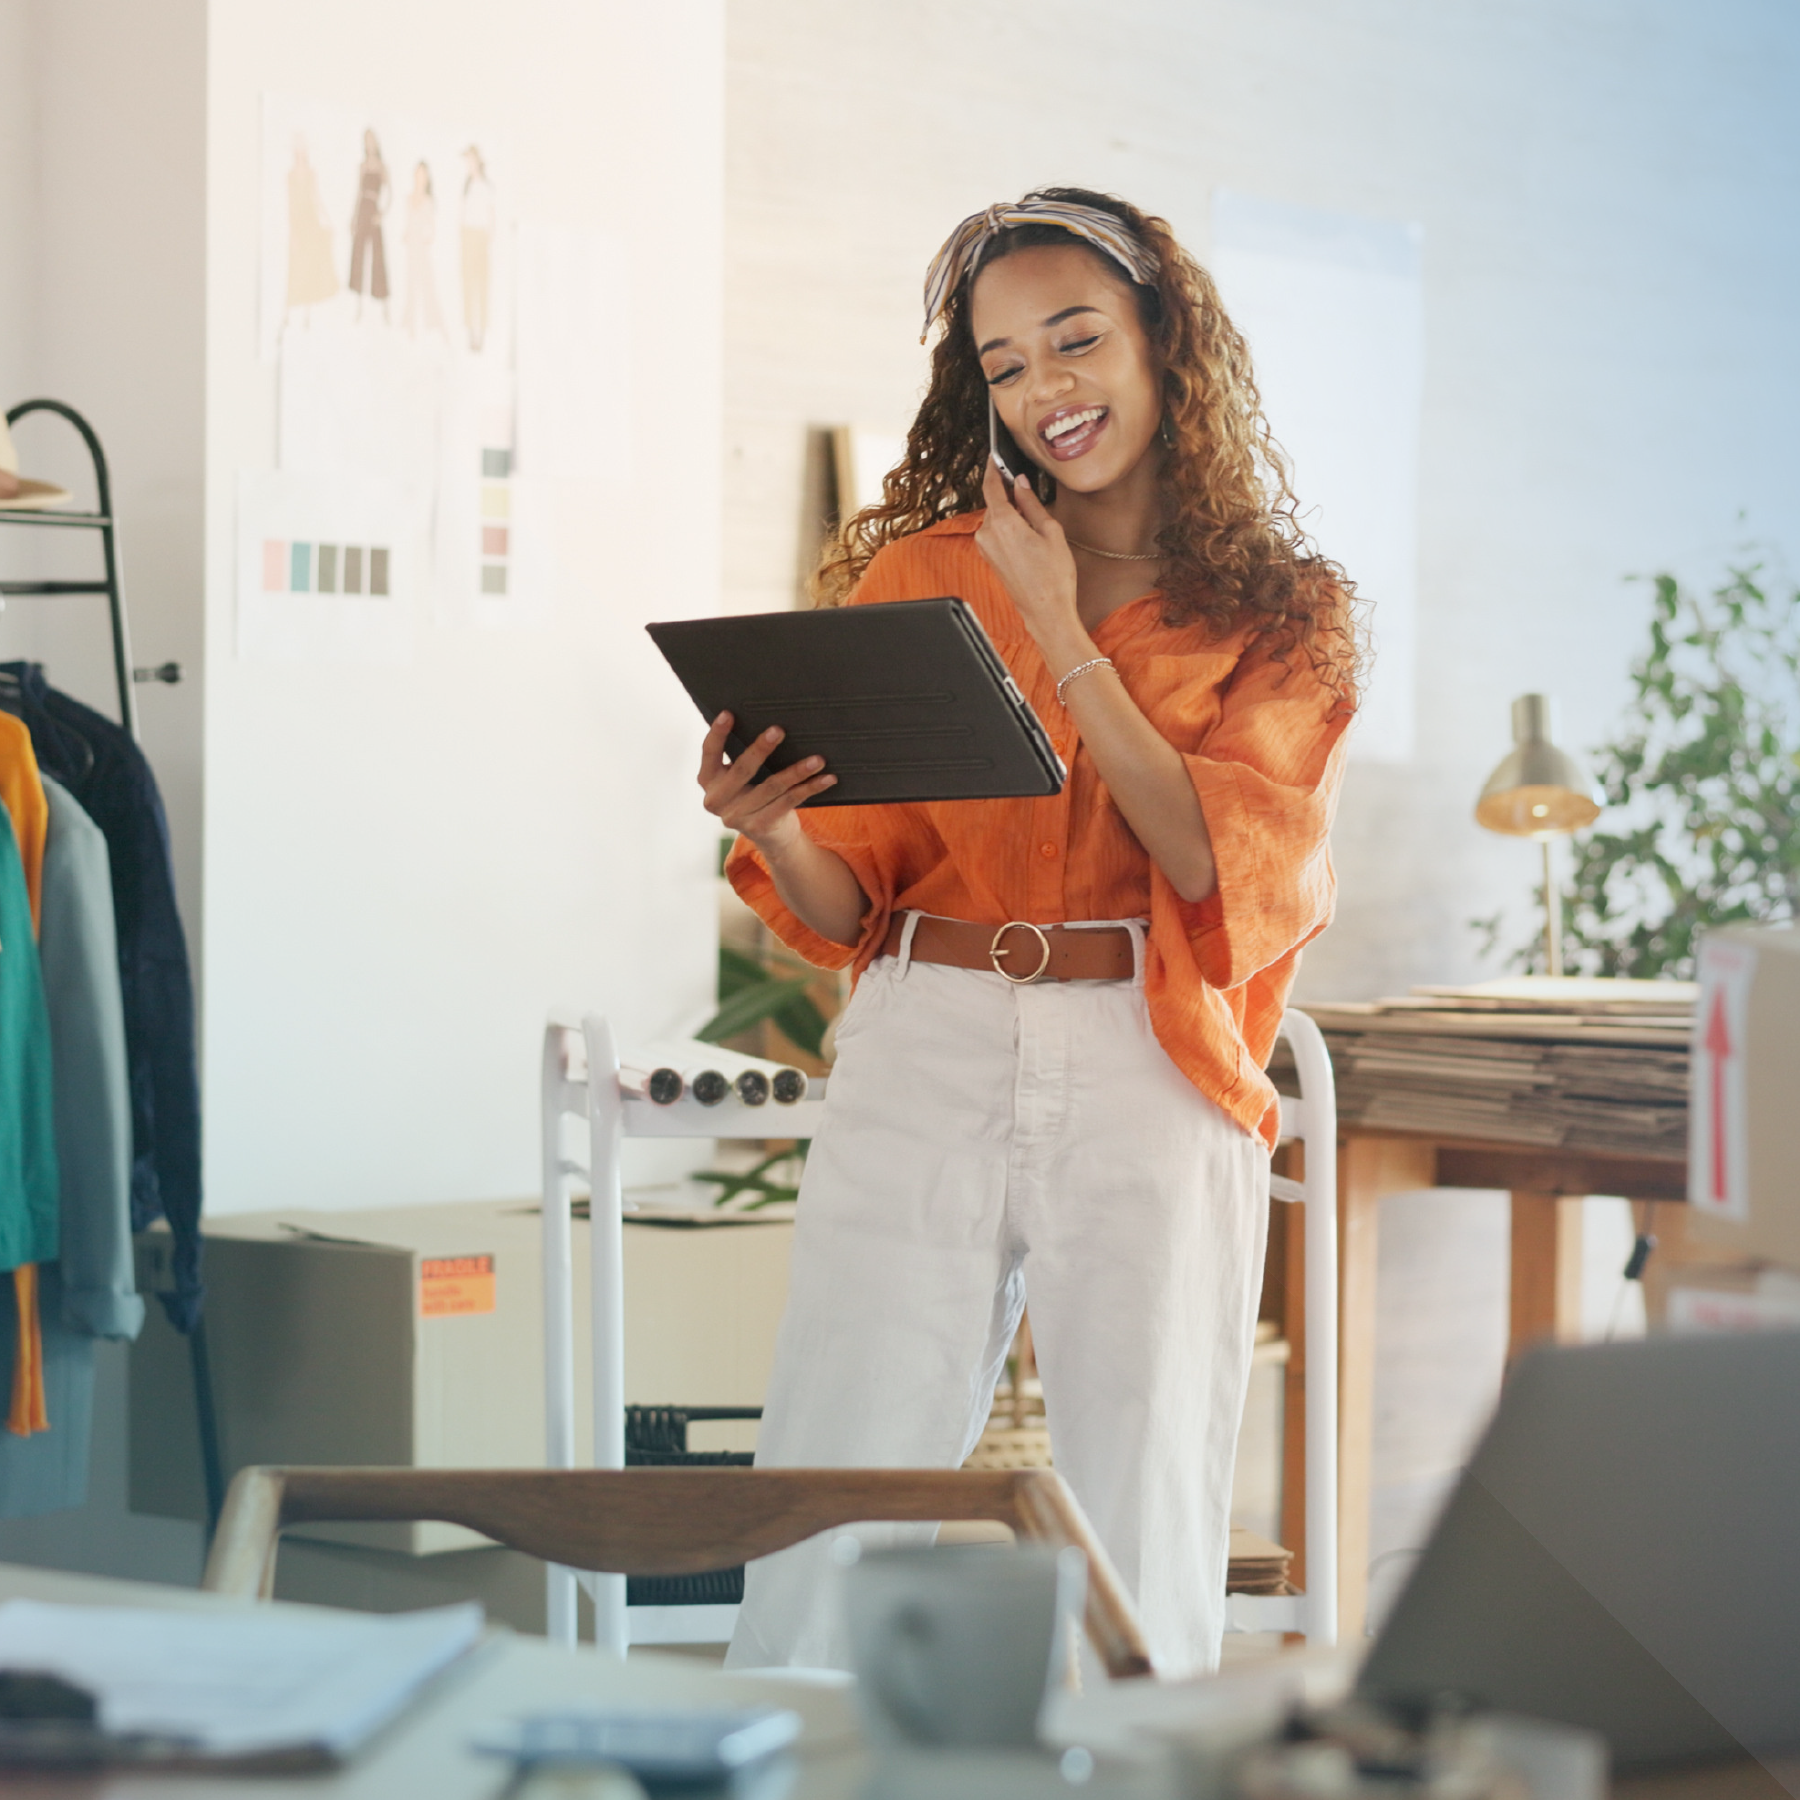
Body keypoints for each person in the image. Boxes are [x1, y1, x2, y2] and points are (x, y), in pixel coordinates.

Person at [703, 188, 1359, 1677]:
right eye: (1004, 365)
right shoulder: (921, 578)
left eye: (1074, 342)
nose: (1046, 390)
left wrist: (1061, 628)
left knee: (1141, 1487)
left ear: (1162, 341)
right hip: (926, 1031)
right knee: (840, 1456)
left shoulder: (1280, 616)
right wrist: (774, 826)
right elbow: (849, 903)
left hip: (1150, 1054)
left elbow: (1214, 852)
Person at [346, 129, 391, 323]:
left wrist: (382, 213)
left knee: (378, 255)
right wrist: (353, 217)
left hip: (374, 210)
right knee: (358, 255)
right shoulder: (362, 166)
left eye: (371, 139)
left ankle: (385, 309)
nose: (369, 144)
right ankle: (358, 307)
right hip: (363, 210)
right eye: (366, 140)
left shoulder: (382, 166)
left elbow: (391, 193)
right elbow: (358, 193)